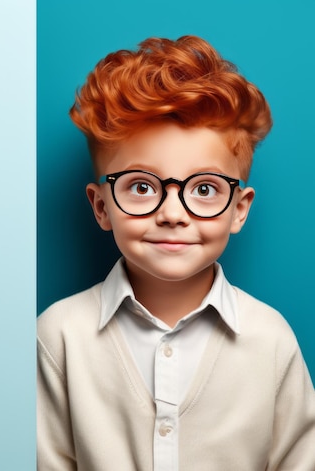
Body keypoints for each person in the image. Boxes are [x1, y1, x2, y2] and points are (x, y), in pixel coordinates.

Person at [37, 35, 315, 471]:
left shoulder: (271, 339)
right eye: (142, 187)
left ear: (238, 210)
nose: (172, 214)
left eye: (204, 189)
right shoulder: (59, 336)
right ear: (101, 206)